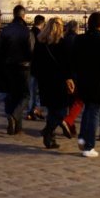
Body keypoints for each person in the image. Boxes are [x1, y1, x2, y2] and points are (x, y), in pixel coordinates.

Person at [71, 12, 100, 157]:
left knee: (87, 110)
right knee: (94, 112)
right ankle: (89, 146)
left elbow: (74, 60)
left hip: (83, 80)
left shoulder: (80, 39)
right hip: (98, 83)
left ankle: (82, 138)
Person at [31, 17, 73, 149]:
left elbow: (35, 63)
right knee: (60, 111)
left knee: (52, 110)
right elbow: (67, 64)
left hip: (45, 81)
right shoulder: (62, 43)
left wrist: (39, 77)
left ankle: (50, 139)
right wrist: (69, 78)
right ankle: (48, 131)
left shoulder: (40, 43)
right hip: (58, 82)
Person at [0, 5, 34, 135]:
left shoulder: (5, 30)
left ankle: (16, 128)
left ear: (13, 14)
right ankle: (14, 115)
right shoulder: (27, 31)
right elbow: (31, 51)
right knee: (25, 96)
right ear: (23, 16)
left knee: (12, 95)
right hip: (23, 67)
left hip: (8, 66)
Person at [26, 14, 46, 120]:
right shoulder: (39, 34)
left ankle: (33, 111)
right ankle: (34, 110)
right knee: (37, 90)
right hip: (37, 66)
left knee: (32, 90)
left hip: (31, 65)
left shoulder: (30, 32)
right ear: (42, 23)